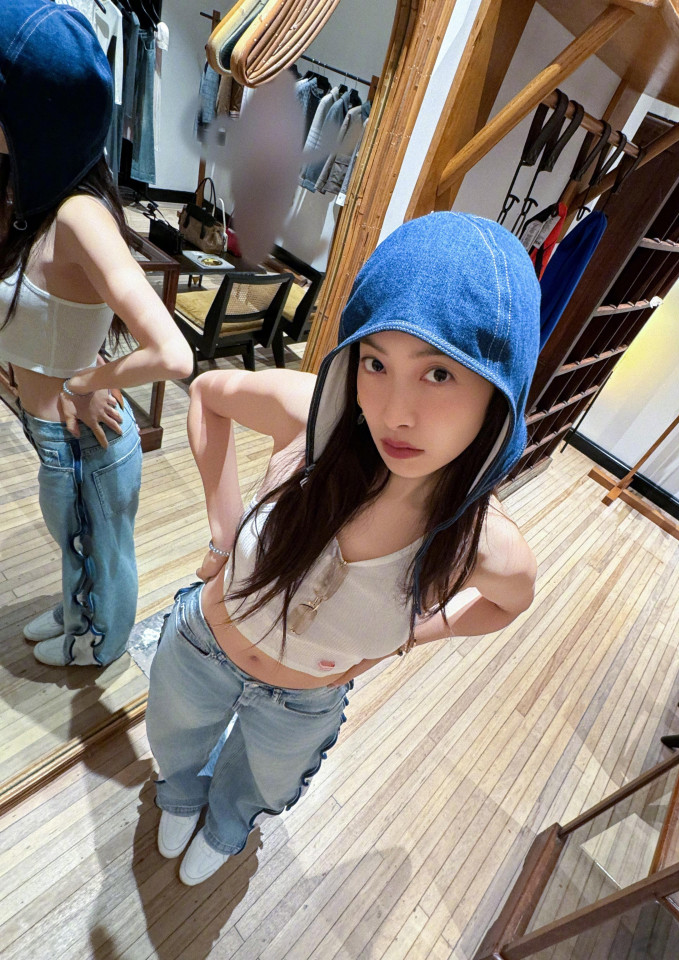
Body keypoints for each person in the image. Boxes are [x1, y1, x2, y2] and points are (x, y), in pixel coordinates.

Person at [146, 211, 540, 885]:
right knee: (174, 744)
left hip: (301, 706)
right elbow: (207, 396)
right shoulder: (315, 423)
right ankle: (180, 795)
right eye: (376, 362)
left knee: (257, 785)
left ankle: (226, 825)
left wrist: (416, 632)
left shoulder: (481, 543)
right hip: (201, 647)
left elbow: (510, 603)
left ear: (499, 392)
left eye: (439, 374)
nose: (394, 412)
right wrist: (224, 530)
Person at [0, 0, 193, 667]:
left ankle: (98, 644)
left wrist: (87, 379)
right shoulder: (32, 196)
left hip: (84, 440)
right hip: (52, 433)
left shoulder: (78, 215)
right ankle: (73, 612)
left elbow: (174, 351)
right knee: (79, 544)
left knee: (102, 553)